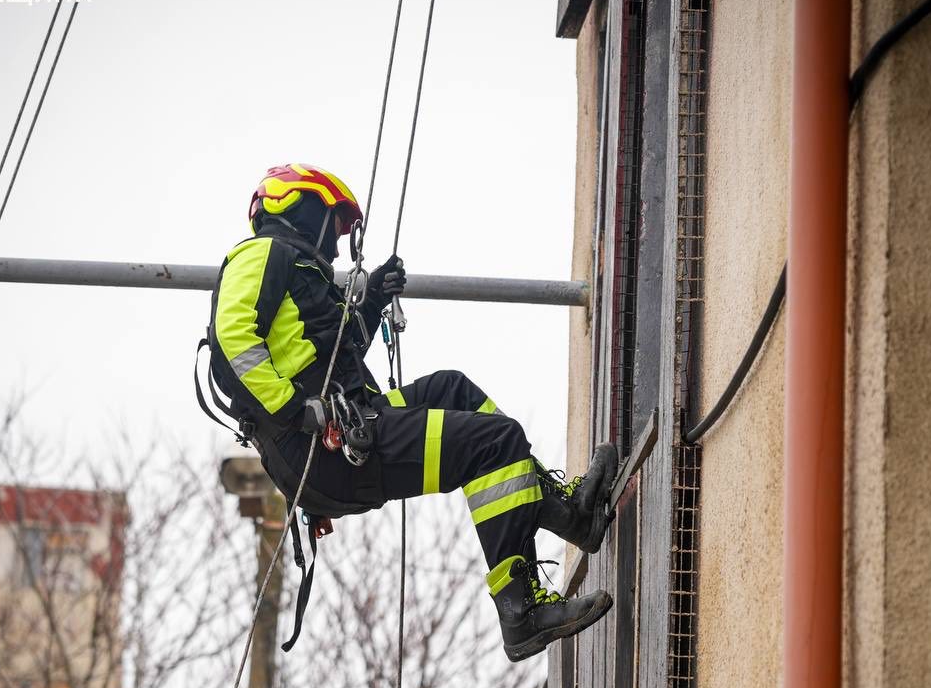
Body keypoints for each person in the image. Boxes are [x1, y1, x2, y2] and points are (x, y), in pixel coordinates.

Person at [201, 163, 618, 662]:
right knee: (495, 443)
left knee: (453, 389)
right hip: (323, 447)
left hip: (348, 424)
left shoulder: (298, 270)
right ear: (302, 206)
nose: (338, 243)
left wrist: (373, 298)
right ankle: (520, 611)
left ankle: (570, 515)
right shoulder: (262, 253)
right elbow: (232, 343)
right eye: (336, 224)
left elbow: (337, 354)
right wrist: (296, 409)